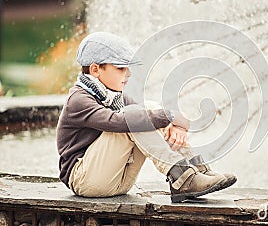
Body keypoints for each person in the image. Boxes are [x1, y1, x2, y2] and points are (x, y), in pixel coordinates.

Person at [56, 31, 236, 203]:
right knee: (133, 116)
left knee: (147, 109)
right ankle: (182, 179)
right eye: (120, 68)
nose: (128, 74)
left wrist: (175, 124)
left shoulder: (116, 96)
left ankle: (195, 170)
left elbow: (149, 116)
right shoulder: (78, 100)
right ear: (95, 69)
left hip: (118, 180)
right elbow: (116, 122)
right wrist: (171, 116)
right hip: (85, 180)